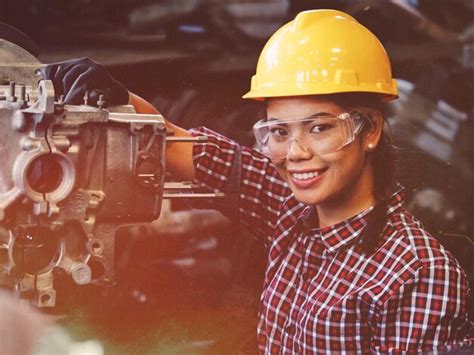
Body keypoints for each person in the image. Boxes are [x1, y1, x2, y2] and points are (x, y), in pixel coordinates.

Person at [43, 9, 474, 354]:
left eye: (320, 128)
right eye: (278, 132)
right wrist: (115, 96)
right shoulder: (290, 212)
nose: (295, 153)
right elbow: (176, 143)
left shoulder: (420, 274)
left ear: (371, 131)